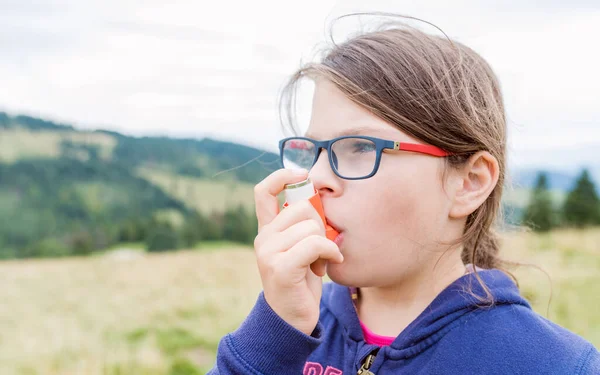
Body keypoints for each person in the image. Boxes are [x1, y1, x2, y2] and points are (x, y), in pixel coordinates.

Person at [207, 14, 599, 374]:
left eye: (360, 147)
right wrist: (273, 336)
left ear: (469, 183)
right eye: (316, 151)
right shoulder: (290, 330)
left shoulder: (557, 365)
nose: (318, 177)